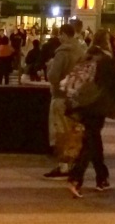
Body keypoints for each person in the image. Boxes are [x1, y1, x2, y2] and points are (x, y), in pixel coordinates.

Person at [65, 30, 115, 197]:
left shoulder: (86, 56)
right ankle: (75, 178)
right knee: (90, 143)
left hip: (81, 104)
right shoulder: (105, 60)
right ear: (106, 42)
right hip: (96, 106)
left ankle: (102, 178)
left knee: (94, 140)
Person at [43, 22, 87, 179]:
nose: (59, 37)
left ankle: (63, 167)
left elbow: (54, 76)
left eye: (60, 34)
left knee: (60, 132)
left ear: (64, 34)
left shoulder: (62, 52)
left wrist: (50, 67)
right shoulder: (81, 50)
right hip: (76, 97)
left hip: (61, 96)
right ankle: (72, 164)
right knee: (73, 132)